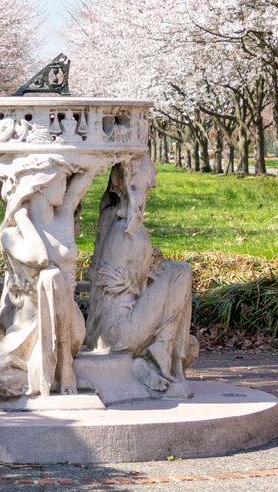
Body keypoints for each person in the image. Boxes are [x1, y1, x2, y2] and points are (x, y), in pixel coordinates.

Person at [0, 155, 95, 399]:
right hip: (26, 327)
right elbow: (40, 257)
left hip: (69, 326)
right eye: (61, 180)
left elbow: (87, 174)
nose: (66, 186)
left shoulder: (63, 217)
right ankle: (37, 374)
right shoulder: (11, 235)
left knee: (51, 277)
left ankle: (63, 363)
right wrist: (21, 216)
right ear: (40, 185)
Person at [85, 155, 196, 391]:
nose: (152, 187)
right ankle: (160, 356)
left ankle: (154, 357)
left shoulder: (108, 215)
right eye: (148, 185)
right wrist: (156, 265)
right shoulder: (130, 233)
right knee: (181, 272)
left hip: (98, 331)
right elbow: (142, 284)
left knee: (190, 344)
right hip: (120, 333)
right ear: (133, 185)